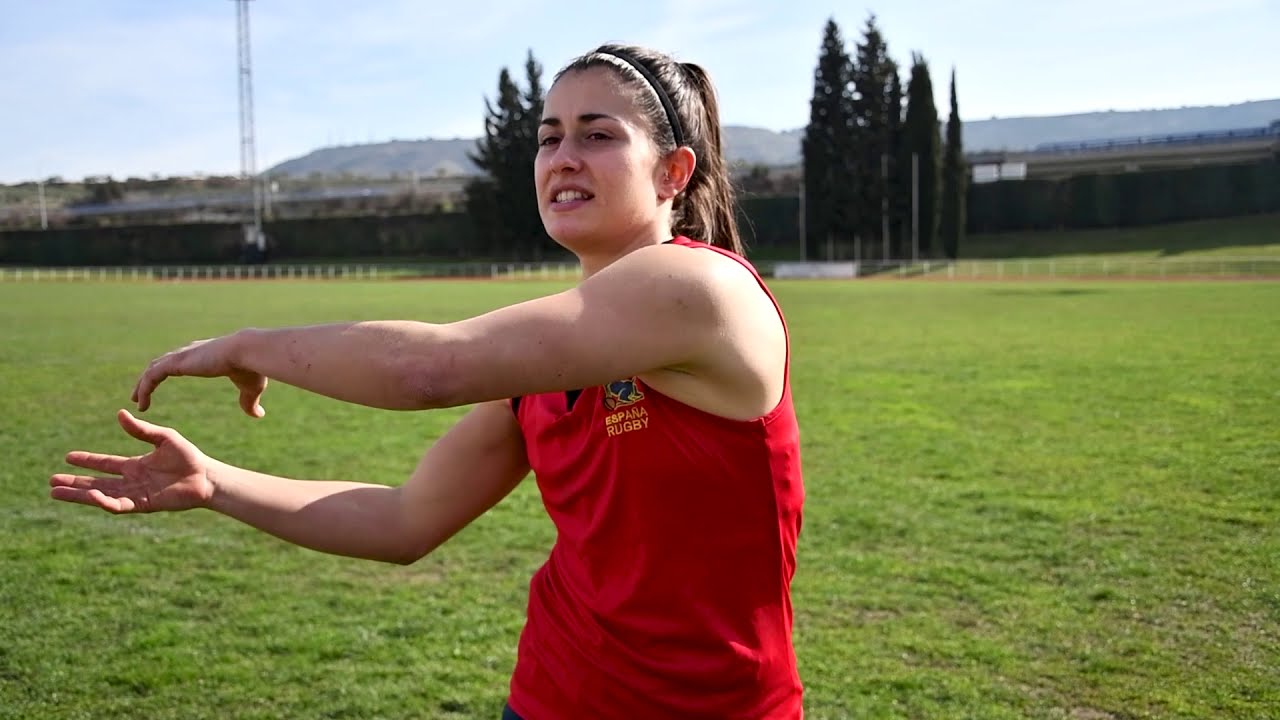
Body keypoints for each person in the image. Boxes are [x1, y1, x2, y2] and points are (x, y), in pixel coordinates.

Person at [51, 44, 805, 719]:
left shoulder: (699, 288)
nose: (562, 158)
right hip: (549, 699)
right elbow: (404, 520)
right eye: (549, 138)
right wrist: (216, 482)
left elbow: (427, 369)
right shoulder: (544, 369)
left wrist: (248, 345)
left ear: (674, 172)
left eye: (597, 135)